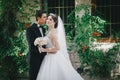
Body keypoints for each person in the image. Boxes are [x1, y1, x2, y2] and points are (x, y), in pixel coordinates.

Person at [36, 13, 84, 80]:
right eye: (47, 19)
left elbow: (57, 48)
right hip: (50, 56)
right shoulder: (50, 31)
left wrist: (44, 50)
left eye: (50, 19)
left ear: (54, 22)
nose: (47, 20)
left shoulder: (53, 32)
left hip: (53, 58)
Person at [26, 10, 47, 80]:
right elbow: (31, 45)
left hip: (43, 59)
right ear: (38, 18)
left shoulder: (43, 29)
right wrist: (41, 51)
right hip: (34, 59)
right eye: (44, 17)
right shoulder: (30, 29)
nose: (45, 19)